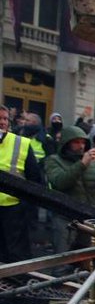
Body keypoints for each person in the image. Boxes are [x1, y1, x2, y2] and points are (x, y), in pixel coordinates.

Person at [44, 125, 95, 252]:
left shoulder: (91, 162)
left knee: (85, 257)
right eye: (76, 142)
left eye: (83, 142)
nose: (81, 146)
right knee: (62, 257)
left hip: (88, 218)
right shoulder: (54, 160)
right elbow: (60, 182)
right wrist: (82, 164)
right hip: (65, 217)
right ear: (66, 143)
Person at [0, 107, 43, 261]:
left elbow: (35, 179)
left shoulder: (21, 143)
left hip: (14, 210)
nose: (2, 122)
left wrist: (27, 207)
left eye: (5, 118)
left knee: (15, 256)